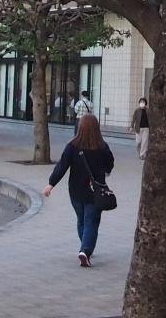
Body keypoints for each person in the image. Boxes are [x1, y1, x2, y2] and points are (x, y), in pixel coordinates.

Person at [42, 114, 114, 268]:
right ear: (96, 128)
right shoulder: (102, 146)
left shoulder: (72, 146)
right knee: (92, 221)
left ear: (80, 127)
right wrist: (105, 171)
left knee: (81, 219)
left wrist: (50, 184)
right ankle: (86, 250)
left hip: (75, 190)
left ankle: (85, 245)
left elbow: (62, 166)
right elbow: (110, 164)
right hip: (95, 191)